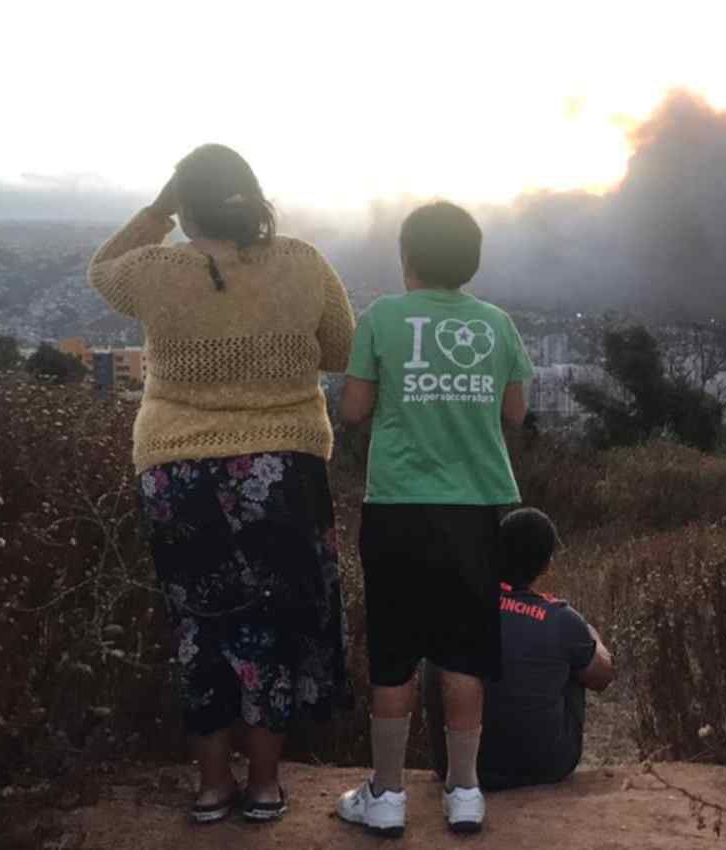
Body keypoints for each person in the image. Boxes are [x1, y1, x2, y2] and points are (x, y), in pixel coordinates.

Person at [87, 144, 356, 824]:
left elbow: (100, 270)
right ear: (254, 196)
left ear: (186, 202)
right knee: (271, 624)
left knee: (199, 627)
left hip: (178, 471)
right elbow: (342, 350)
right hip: (282, 470)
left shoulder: (152, 270)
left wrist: (156, 209)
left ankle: (211, 788)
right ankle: (264, 787)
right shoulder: (302, 262)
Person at [335, 201, 533, 837]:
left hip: (396, 507)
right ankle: (465, 791)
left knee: (393, 652)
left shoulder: (381, 318)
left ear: (407, 257)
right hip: (475, 511)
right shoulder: (498, 324)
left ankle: (387, 795)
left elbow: (356, 411)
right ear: (470, 262)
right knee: (464, 653)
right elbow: (515, 412)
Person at [423, 507, 615, 790]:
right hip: (545, 768)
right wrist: (591, 636)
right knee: (576, 659)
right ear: (546, 565)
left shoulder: (454, 605)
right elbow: (603, 677)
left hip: (453, 766)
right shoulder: (561, 618)